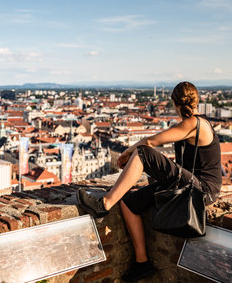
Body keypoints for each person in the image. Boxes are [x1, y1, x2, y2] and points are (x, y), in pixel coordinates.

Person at [77, 82, 222, 282]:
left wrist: (129, 152)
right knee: (129, 204)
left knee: (144, 152)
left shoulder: (195, 123)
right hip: (187, 184)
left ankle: (105, 203)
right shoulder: (190, 123)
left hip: (202, 190)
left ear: (175, 103)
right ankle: (142, 263)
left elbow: (151, 143)